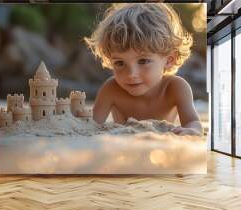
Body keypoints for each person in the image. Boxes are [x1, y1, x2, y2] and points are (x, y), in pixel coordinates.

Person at [84, 3, 203, 136]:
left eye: (143, 61)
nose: (131, 74)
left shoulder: (176, 88)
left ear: (169, 60)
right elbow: (89, 126)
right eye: (119, 63)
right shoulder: (111, 89)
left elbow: (193, 123)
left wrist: (190, 131)